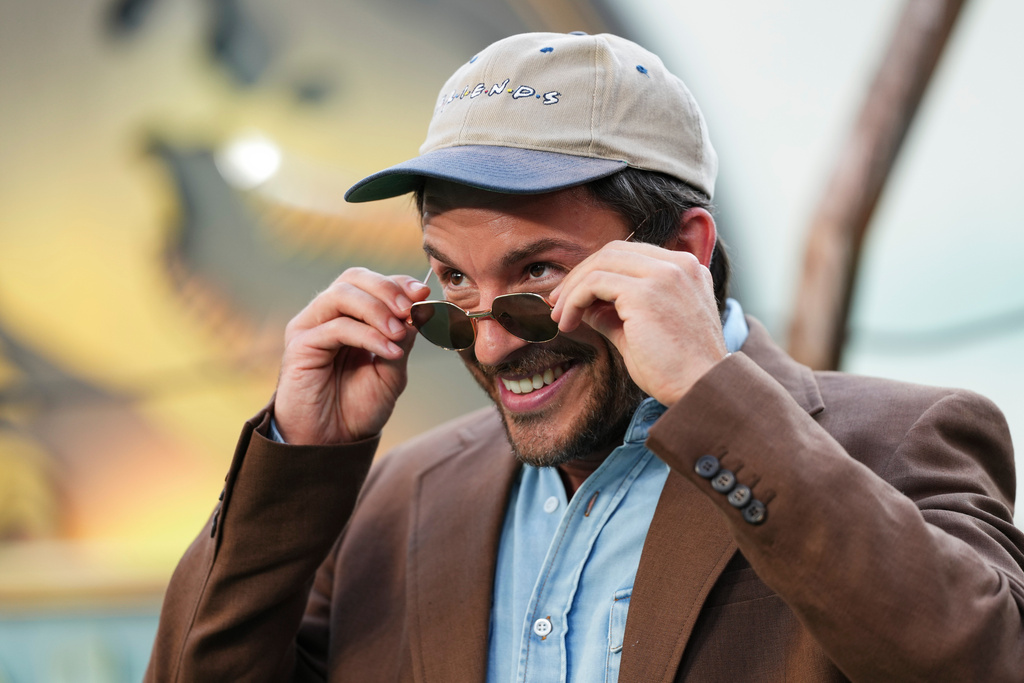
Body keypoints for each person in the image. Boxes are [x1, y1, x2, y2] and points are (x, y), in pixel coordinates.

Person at [145, 32, 1024, 682]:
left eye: (538, 275)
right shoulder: (391, 498)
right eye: (452, 281)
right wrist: (300, 458)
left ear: (683, 251)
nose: (489, 340)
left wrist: (718, 400)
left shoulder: (904, 440)